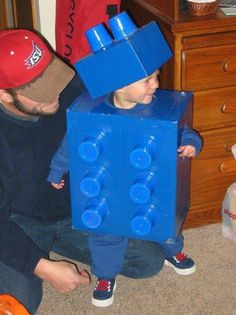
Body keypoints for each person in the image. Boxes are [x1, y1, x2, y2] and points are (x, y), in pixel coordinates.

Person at [0, 29, 165, 314]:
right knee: (18, 303)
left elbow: (119, 101)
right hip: (21, 222)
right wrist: (43, 267)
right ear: (4, 94)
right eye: (39, 89)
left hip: (80, 206)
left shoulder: (68, 86)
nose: (55, 92)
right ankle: (41, 252)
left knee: (148, 261)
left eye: (52, 76)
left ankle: (60, 244)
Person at [48, 68, 203, 307]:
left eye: (156, 76)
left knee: (165, 221)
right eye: (147, 80)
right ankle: (106, 275)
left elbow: (184, 132)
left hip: (150, 185)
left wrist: (191, 143)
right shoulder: (92, 111)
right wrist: (57, 171)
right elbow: (71, 144)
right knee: (105, 235)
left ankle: (174, 252)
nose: (156, 84)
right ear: (119, 86)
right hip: (108, 190)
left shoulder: (162, 108)